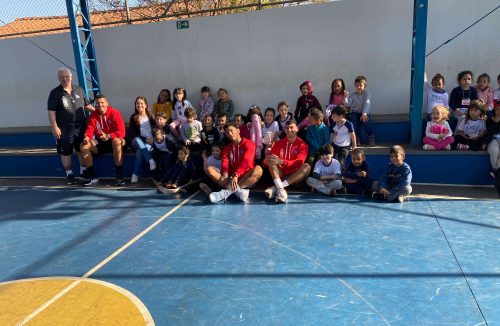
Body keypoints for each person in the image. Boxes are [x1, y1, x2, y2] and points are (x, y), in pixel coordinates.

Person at [47, 67, 95, 184]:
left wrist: (100, 112)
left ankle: (83, 171)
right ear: (59, 79)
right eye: (62, 77)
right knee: (66, 152)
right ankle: (69, 174)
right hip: (64, 128)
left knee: (81, 150)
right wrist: (54, 127)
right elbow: (51, 112)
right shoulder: (55, 93)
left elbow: (86, 105)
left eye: (67, 76)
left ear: (71, 77)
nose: (65, 79)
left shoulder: (79, 90)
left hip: (80, 126)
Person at [208, 122, 263, 203]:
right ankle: (238, 191)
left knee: (258, 169)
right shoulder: (227, 148)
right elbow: (225, 163)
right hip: (231, 179)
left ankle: (226, 193)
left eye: (231, 130)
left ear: (238, 130)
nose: (229, 133)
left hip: (247, 179)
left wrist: (236, 175)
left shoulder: (250, 144)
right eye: (227, 132)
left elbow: (246, 161)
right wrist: (225, 174)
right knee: (210, 169)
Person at [80, 95, 126, 186]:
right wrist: (86, 137)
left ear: (107, 103)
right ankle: (92, 177)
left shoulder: (115, 113)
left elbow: (122, 132)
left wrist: (109, 136)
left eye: (102, 102)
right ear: (95, 105)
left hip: (115, 139)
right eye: (97, 103)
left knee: (116, 141)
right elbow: (89, 131)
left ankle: (119, 175)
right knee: (83, 146)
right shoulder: (93, 116)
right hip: (101, 142)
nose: (100, 105)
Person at [264, 119, 311, 203]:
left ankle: (278, 187)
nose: (289, 130)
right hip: (281, 175)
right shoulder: (278, 143)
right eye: (287, 128)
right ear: (284, 130)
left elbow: (298, 163)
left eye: (292, 127)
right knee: (272, 161)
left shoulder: (303, 145)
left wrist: (281, 161)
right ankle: (281, 190)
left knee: (306, 167)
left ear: (297, 129)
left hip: (295, 177)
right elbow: (266, 162)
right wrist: (267, 160)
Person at [128, 96, 157, 184]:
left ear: (146, 105)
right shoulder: (133, 117)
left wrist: (153, 138)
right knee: (137, 139)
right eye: (137, 103)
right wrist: (145, 139)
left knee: (140, 152)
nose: (139, 105)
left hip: (150, 142)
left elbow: (157, 130)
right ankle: (150, 160)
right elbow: (133, 134)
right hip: (137, 141)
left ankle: (135, 174)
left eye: (141, 103)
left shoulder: (151, 116)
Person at [347, 76, 375, 146]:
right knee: (353, 122)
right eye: (357, 85)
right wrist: (345, 97)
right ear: (355, 86)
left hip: (364, 112)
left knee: (365, 121)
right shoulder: (352, 95)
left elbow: (367, 104)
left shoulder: (367, 94)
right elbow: (348, 104)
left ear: (364, 86)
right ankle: (356, 138)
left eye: (360, 85)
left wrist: (364, 113)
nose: (359, 87)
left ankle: (371, 136)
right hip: (355, 112)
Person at [329, 105, 356, 169]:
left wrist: (354, 145)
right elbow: (332, 133)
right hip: (335, 144)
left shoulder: (348, 124)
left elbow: (352, 134)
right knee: (329, 158)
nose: (332, 117)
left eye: (334, 116)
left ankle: (341, 176)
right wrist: (329, 143)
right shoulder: (333, 123)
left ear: (341, 116)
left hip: (345, 147)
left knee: (341, 162)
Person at [486, 101, 500, 179]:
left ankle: (496, 172)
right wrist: (495, 122)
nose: (499, 112)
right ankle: (496, 171)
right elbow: (490, 133)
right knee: (494, 151)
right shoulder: (489, 119)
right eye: (497, 109)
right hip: (492, 139)